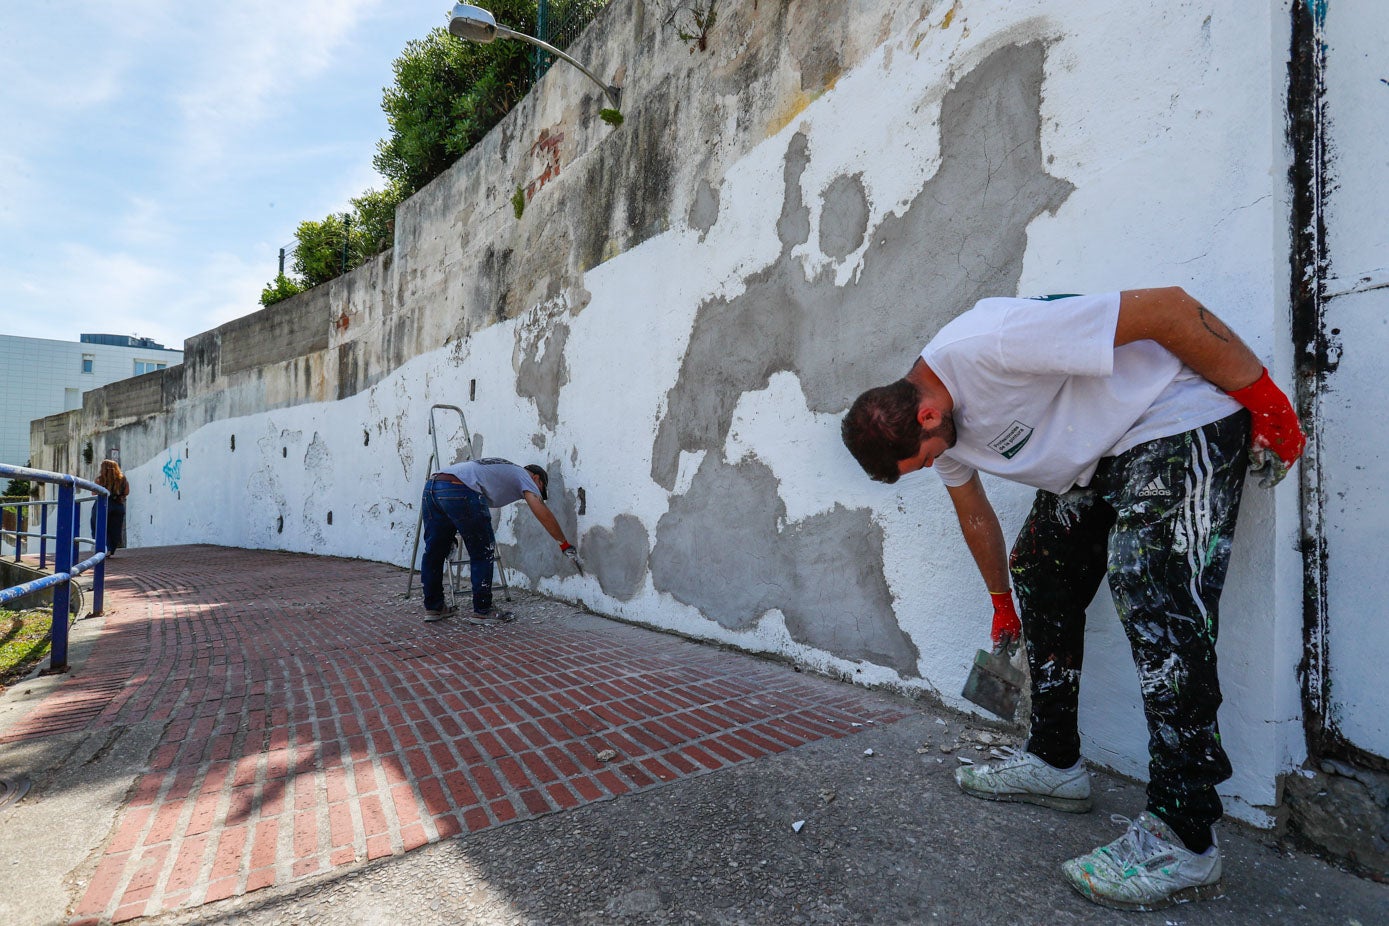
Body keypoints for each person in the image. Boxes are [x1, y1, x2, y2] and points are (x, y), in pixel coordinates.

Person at [840, 287, 1305, 911]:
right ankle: (1055, 761)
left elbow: (1167, 309)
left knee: (1152, 591)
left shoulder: (991, 344)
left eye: (922, 461)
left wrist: (1266, 400)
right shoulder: (935, 424)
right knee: (1039, 569)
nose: (934, 465)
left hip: (1172, 419)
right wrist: (1002, 600)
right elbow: (973, 512)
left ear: (926, 417)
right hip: (1101, 457)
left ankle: (1185, 834)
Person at [420, 457, 582, 625]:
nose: (537, 493)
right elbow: (540, 508)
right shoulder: (524, 475)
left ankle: (434, 607)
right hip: (461, 488)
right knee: (482, 551)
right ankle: (483, 610)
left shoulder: (504, 468)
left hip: (433, 486)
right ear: (536, 478)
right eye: (540, 489)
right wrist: (563, 543)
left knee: (434, 551)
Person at [93, 459, 130, 557]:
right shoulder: (123, 479)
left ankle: (104, 548)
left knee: (99, 526)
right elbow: (126, 492)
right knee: (115, 528)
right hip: (118, 505)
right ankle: (111, 549)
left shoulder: (100, 480)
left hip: (103, 504)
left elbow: (93, 493)